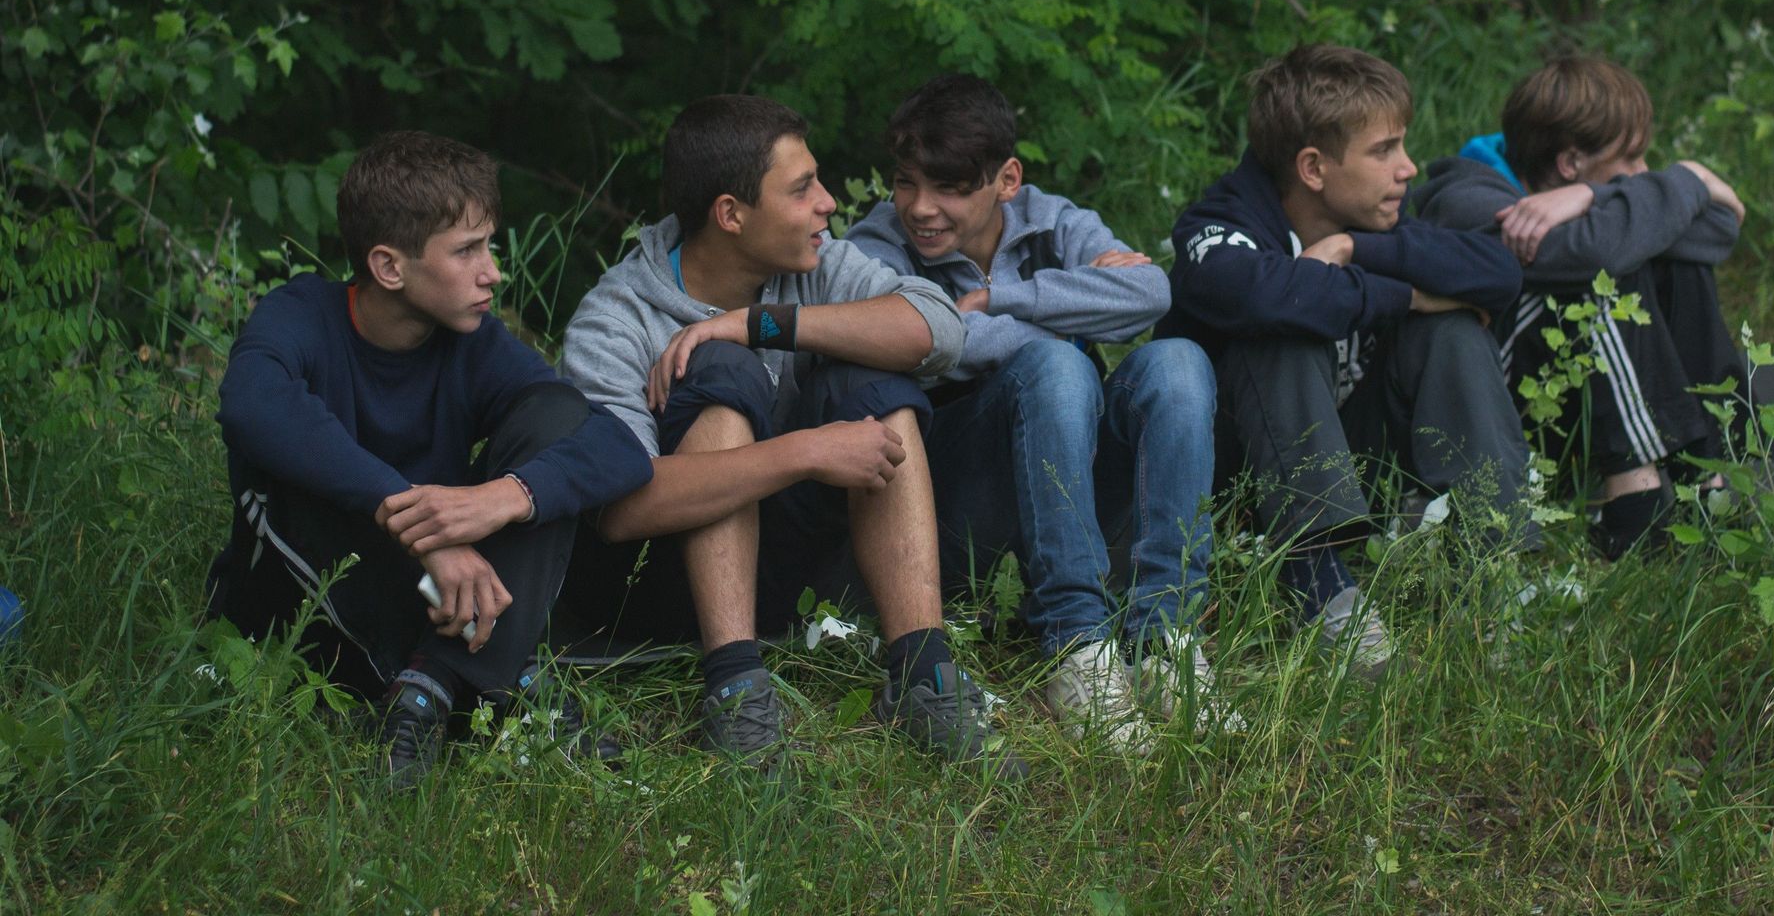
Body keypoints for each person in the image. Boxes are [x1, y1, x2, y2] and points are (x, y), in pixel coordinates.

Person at [559, 95, 1024, 775]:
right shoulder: (615, 321)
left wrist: (757, 324)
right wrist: (805, 451)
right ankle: (736, 696)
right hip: (677, 583)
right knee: (717, 370)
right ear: (730, 214)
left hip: (807, 567)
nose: (829, 204)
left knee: (870, 367)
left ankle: (926, 677)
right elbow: (625, 506)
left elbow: (939, 331)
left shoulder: (817, 264)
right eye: (802, 189)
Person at [206, 131, 653, 790]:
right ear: (390, 267)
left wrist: (503, 497)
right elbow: (248, 404)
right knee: (303, 464)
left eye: (489, 246)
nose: (493, 272)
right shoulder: (301, 313)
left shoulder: (472, 344)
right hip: (301, 614)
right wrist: (415, 521)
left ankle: (429, 688)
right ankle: (495, 683)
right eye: (467, 250)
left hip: (431, 607)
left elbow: (619, 446)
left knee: (555, 421)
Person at [844, 75, 1227, 751]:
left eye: (951, 188)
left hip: (1067, 485)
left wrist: (999, 301)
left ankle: (1163, 637)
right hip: (957, 505)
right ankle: (1076, 644)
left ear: (1007, 179)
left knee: (1179, 363)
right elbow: (929, 339)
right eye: (907, 183)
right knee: (1056, 366)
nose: (921, 208)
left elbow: (1147, 292)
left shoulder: (1054, 222)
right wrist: (1075, 309)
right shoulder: (876, 246)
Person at [1159, 44, 1537, 676]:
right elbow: (1262, 293)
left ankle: (1489, 568)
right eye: (1384, 150)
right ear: (1313, 167)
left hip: (1348, 457)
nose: (1407, 168)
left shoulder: (1373, 222)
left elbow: (1499, 273)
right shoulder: (1218, 222)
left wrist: (1353, 248)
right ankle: (1323, 588)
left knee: (1454, 333)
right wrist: (1409, 295)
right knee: (1279, 327)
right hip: (1235, 492)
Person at [1412, 54, 1746, 557]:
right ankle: (1635, 496)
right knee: (1599, 277)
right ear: (1568, 162)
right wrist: (1691, 180)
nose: (1642, 174)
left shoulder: (1582, 191)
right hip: (1510, 411)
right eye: (1630, 161)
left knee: (1678, 264)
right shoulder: (1470, 197)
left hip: (1575, 394)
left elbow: (1718, 232)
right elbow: (1599, 251)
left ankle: (1700, 469)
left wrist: (1589, 194)